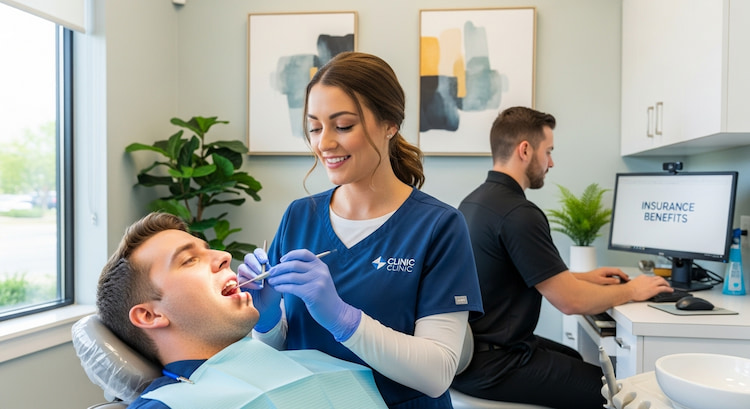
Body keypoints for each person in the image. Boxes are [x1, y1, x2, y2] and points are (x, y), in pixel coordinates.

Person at [238, 51, 484, 409]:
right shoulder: (299, 216)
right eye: (314, 127)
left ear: (390, 124)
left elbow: (437, 374)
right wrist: (267, 320)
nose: (324, 143)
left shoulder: (439, 226)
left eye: (343, 126)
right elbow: (279, 349)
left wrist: (343, 318)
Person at [450, 106, 673, 409]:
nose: (551, 162)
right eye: (549, 151)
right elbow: (572, 303)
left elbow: (508, 272)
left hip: (473, 356)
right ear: (525, 150)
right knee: (613, 392)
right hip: (497, 365)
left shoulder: (477, 200)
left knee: (573, 357)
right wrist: (633, 290)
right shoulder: (519, 213)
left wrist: (580, 278)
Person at [95, 212, 388, 409]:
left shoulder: (311, 362)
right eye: (188, 260)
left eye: (208, 248)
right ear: (150, 315)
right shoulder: (169, 404)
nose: (224, 257)